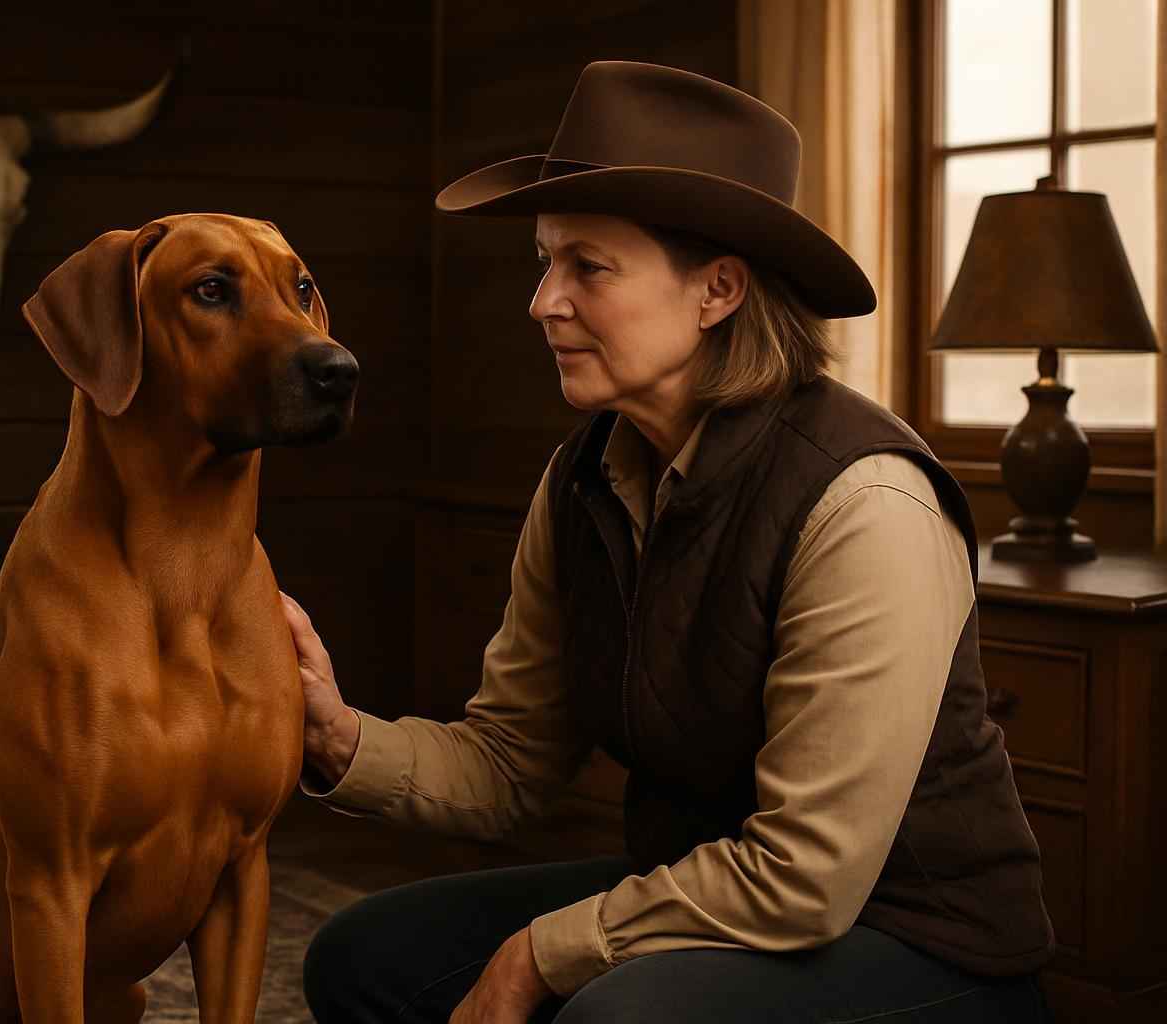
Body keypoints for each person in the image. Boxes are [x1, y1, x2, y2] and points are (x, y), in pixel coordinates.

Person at [280, 61, 1056, 1024]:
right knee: (364, 958)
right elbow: (510, 764)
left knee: (617, 1014)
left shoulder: (866, 502)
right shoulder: (580, 480)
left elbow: (807, 876)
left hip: (915, 944)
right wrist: (332, 733)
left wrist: (542, 954)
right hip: (707, 895)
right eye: (544, 261)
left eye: (587, 267)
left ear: (717, 290)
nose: (543, 301)